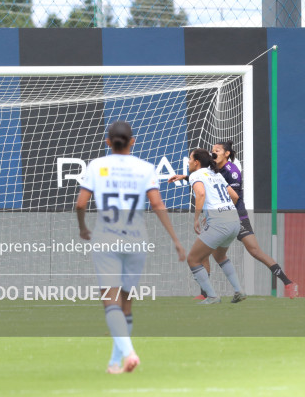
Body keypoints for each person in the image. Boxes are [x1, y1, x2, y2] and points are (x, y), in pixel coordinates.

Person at [75, 121, 186, 374]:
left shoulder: (97, 166)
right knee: (126, 303)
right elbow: (157, 205)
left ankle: (129, 353)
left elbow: (81, 204)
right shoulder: (145, 168)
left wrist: (82, 227)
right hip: (136, 239)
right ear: (132, 141)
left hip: (106, 239)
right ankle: (116, 363)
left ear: (108, 142)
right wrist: (176, 240)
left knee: (110, 301)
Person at [169, 140, 298, 299]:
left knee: (254, 251)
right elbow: (208, 182)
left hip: (236, 215)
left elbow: (234, 198)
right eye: (212, 150)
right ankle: (205, 294)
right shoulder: (213, 170)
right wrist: (185, 177)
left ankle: (288, 282)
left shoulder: (232, 171)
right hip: (225, 216)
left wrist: (215, 214)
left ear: (227, 154)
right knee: (209, 253)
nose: (213, 153)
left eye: (217, 150)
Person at [182, 148, 246, 305]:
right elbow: (235, 196)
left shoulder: (196, 175)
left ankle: (212, 296)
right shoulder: (216, 174)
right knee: (219, 256)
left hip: (220, 222)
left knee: (193, 259)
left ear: (196, 162)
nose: (188, 162)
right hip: (233, 219)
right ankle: (239, 291)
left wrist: (197, 218)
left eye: (190, 159)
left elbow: (201, 194)